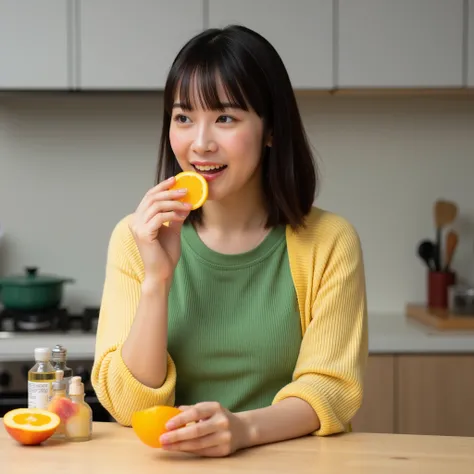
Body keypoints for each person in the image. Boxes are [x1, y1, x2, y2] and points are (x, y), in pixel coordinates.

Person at [91, 24, 368, 458]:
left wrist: (242, 430)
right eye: (183, 118)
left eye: (225, 118)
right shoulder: (135, 238)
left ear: (271, 129)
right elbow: (130, 407)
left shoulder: (329, 242)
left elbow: (330, 389)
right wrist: (157, 282)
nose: (200, 144)